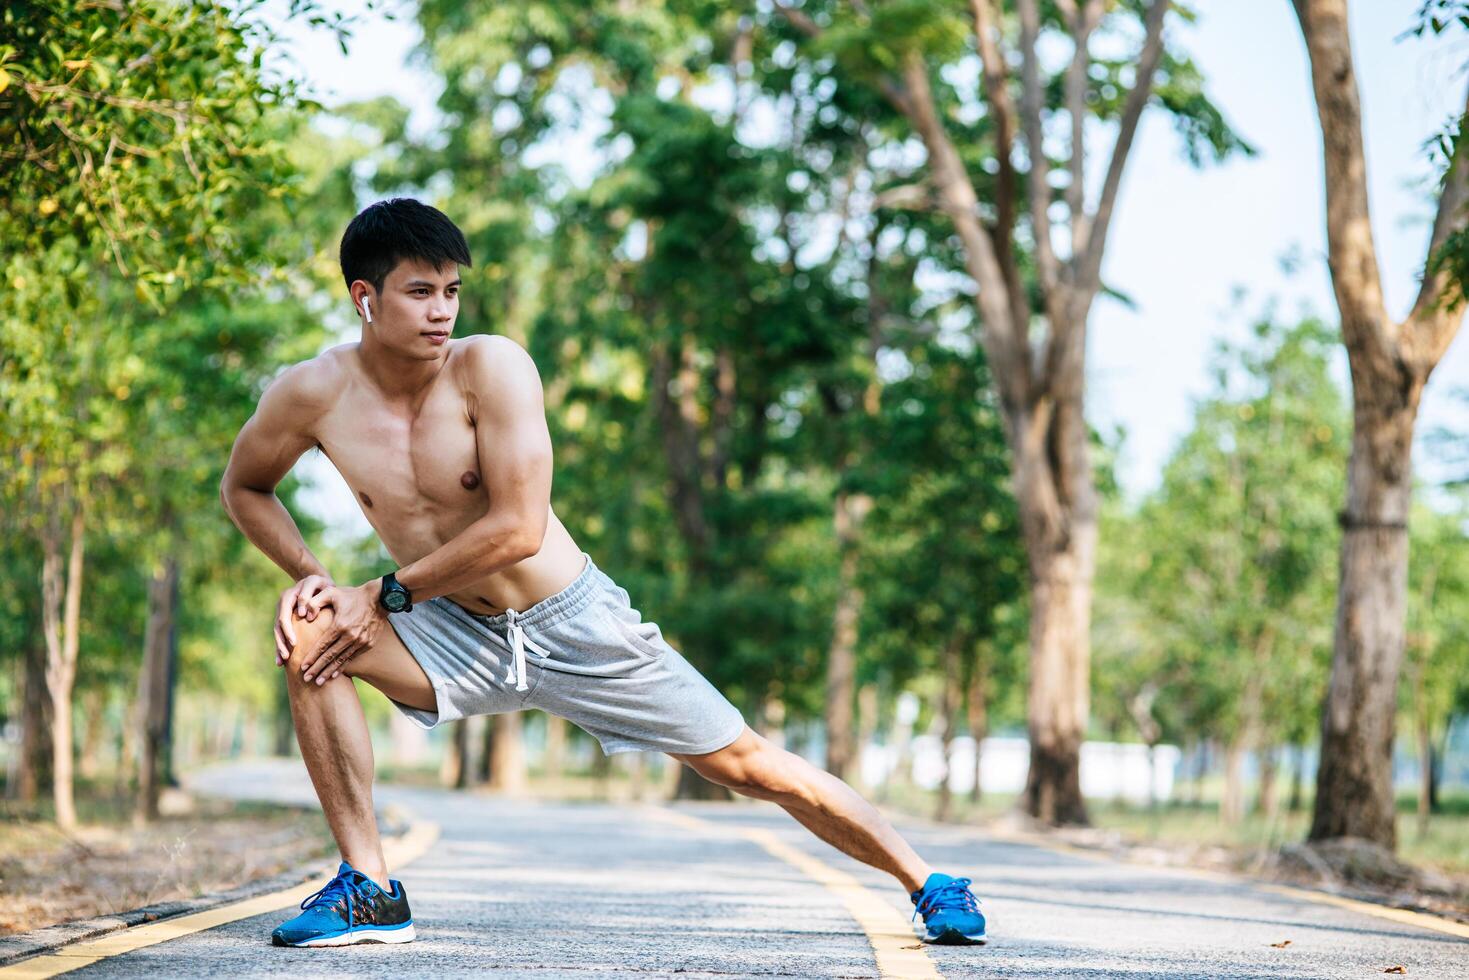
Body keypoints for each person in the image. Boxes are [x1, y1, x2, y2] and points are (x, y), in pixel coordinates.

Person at [220, 198, 986, 949]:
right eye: (420, 292)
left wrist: (380, 594)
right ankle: (370, 887)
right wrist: (315, 576)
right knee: (311, 633)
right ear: (365, 297)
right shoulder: (312, 393)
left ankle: (928, 883)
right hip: (452, 629)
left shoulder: (490, 367)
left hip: (570, 620)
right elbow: (244, 486)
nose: (441, 312)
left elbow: (518, 528)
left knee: (748, 764)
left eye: (451, 291)